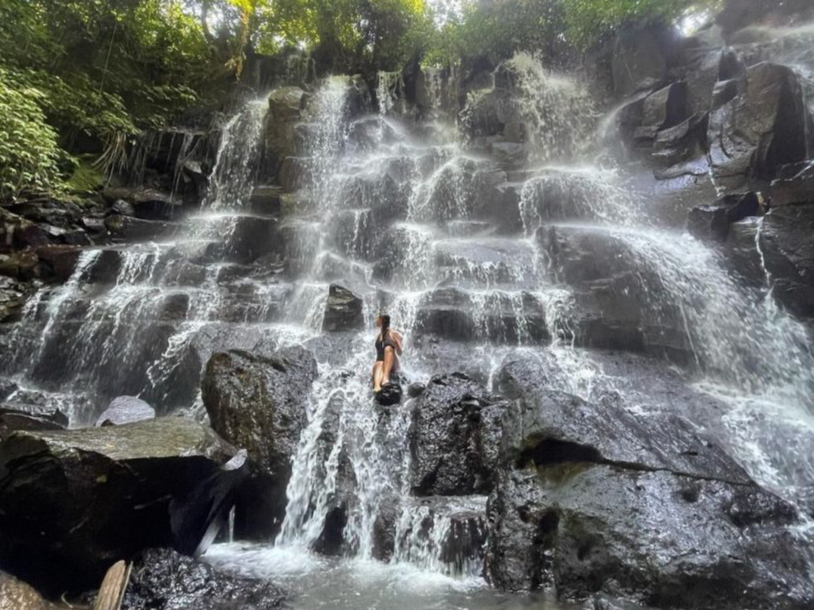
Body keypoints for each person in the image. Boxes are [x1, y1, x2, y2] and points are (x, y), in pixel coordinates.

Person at [372, 314, 403, 393]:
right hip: (381, 364)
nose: (375, 320)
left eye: (377, 319)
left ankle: (385, 379)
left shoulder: (393, 333)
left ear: (382, 320)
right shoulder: (379, 336)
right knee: (380, 363)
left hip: (392, 365)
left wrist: (395, 344)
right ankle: (377, 386)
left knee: (388, 348)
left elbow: (400, 353)